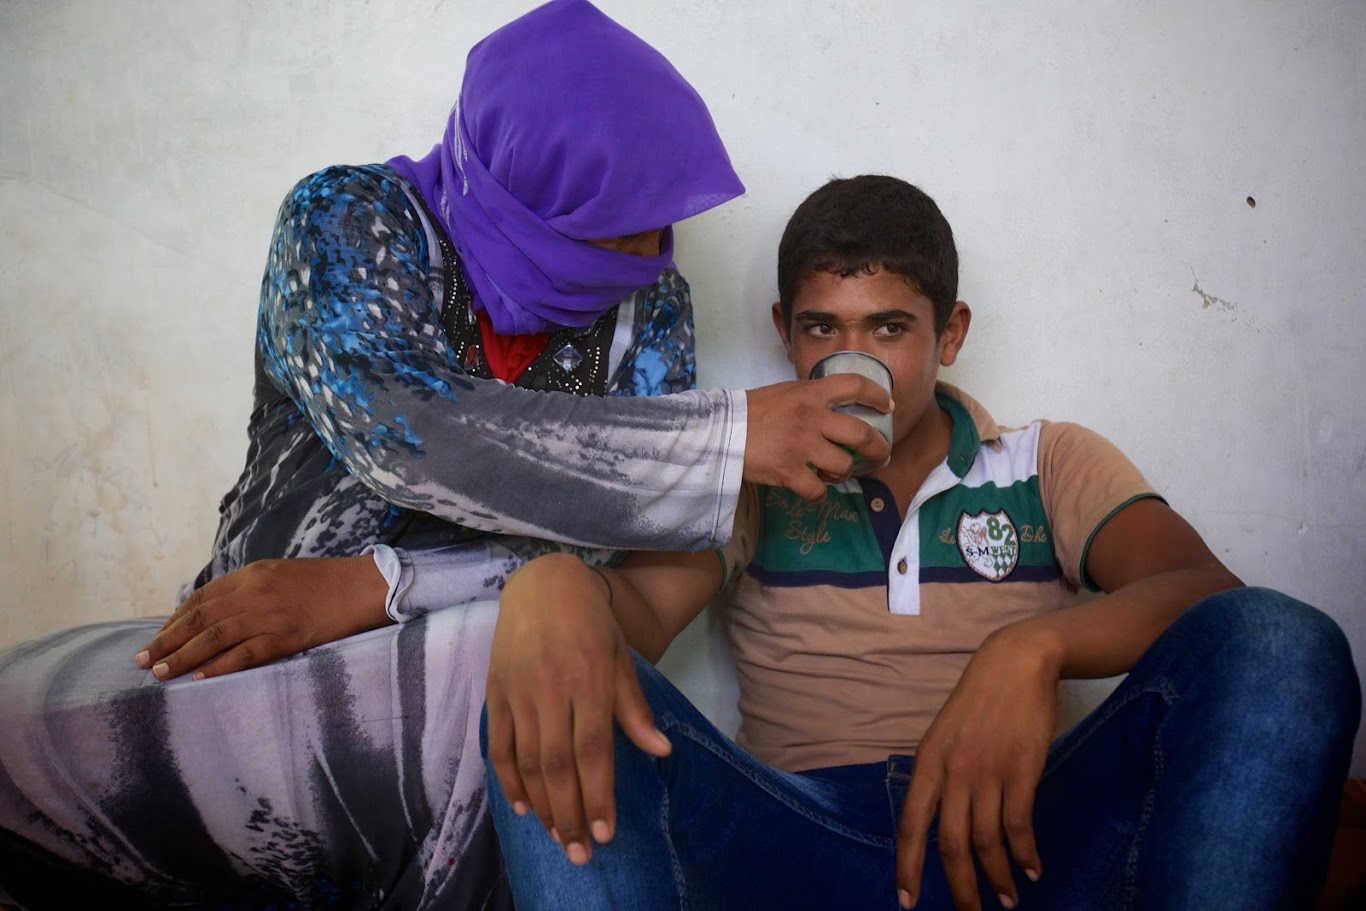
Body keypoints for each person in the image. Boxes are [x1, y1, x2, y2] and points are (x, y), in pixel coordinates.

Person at [0, 3, 890, 909]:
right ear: (526, 180)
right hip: (271, 660)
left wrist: (374, 585)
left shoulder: (649, 304)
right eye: (614, 220)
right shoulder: (347, 220)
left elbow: (593, 566)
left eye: (657, 224)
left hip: (474, 666)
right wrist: (724, 438)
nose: (643, 251)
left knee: (535, 676)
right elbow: (413, 435)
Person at [480, 175, 1362, 911]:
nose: (853, 361)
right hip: (799, 842)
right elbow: (635, 617)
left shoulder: (1045, 462)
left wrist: (1034, 648)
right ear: (785, 332)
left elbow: (1213, 600)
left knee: (1285, 641)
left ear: (951, 333)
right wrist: (554, 586)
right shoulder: (752, 477)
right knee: (548, 682)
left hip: (1023, 841)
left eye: (890, 329)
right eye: (823, 328)